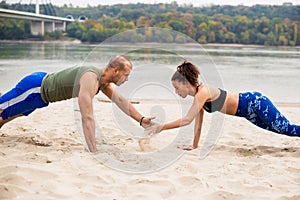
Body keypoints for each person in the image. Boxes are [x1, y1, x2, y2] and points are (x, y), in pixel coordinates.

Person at [0, 55, 153, 153]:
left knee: (10, 114)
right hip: (35, 88)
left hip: (41, 98)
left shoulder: (103, 82)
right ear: (115, 71)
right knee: (2, 107)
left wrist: (141, 119)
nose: (126, 79)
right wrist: (93, 150)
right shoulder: (90, 78)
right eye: (126, 75)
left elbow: (120, 101)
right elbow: (87, 117)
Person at [148, 61, 300, 150]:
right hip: (248, 113)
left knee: (286, 128)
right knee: (282, 131)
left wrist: (161, 127)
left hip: (255, 103)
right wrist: (195, 146)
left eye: (177, 87)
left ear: (186, 83)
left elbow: (186, 119)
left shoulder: (203, 92)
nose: (176, 91)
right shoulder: (198, 97)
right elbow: (197, 123)